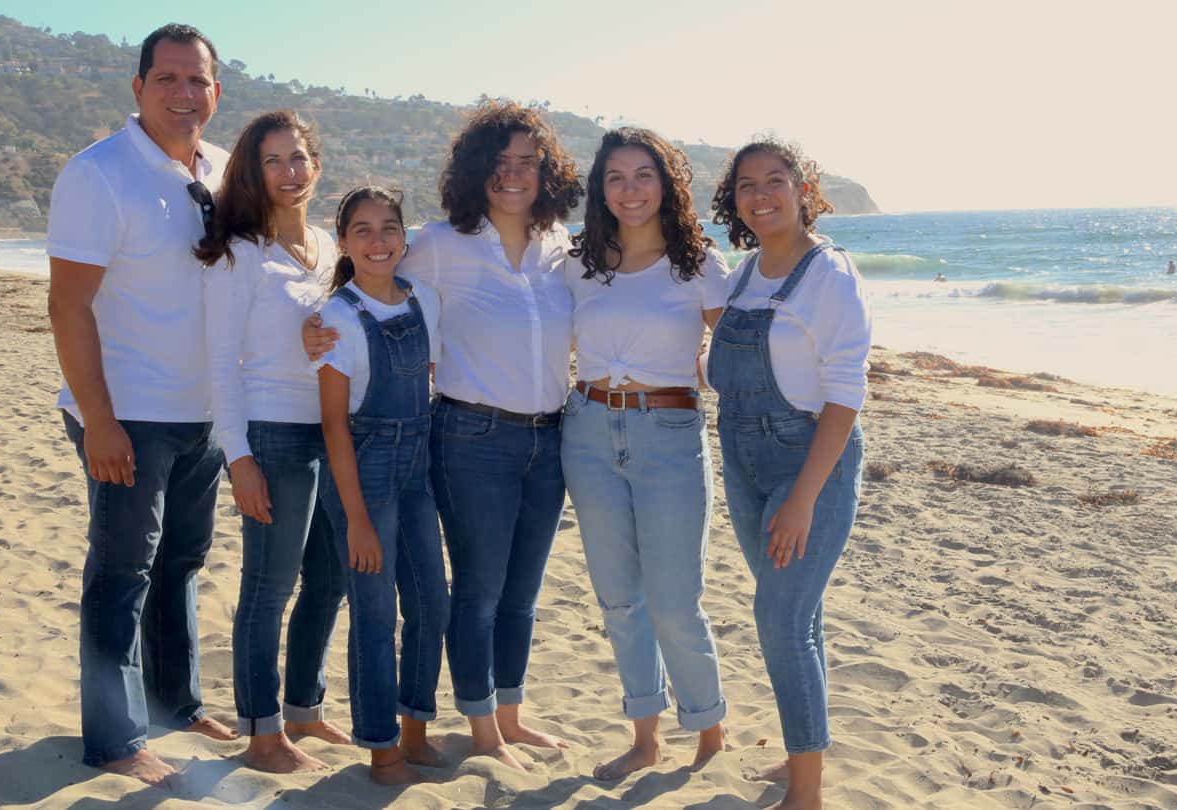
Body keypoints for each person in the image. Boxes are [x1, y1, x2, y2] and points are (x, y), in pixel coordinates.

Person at [305, 100, 582, 770]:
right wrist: (314, 326)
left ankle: (510, 717)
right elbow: (371, 280)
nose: (513, 174)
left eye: (528, 163)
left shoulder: (562, 248)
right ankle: (482, 729)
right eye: (500, 162)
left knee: (523, 593)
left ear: (547, 172)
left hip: (552, 438)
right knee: (477, 592)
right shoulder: (441, 243)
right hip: (471, 439)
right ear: (475, 170)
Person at [45, 24, 238, 784]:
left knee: (182, 562)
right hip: (127, 412)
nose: (185, 94)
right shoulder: (97, 175)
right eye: (168, 79)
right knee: (123, 569)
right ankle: (116, 739)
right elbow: (68, 307)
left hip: (207, 412)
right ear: (138, 87)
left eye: (198, 81)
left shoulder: (225, 171)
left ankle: (176, 702)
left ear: (216, 92)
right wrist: (99, 421)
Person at [706, 138, 870, 810]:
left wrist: (803, 498)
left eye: (776, 180)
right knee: (799, 616)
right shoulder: (742, 273)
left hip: (810, 467)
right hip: (743, 465)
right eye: (747, 185)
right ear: (735, 200)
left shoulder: (829, 275)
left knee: (779, 618)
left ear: (804, 189)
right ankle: (806, 754)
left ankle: (807, 793)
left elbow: (845, 394)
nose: (761, 195)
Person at [561, 128, 728, 780]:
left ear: (667, 184)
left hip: (669, 436)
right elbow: (509, 314)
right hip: (588, 432)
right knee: (619, 601)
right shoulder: (577, 262)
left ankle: (709, 731)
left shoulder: (699, 264)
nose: (629, 191)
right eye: (615, 178)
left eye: (643, 176)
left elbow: (742, 347)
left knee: (675, 600)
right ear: (601, 189)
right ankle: (645, 737)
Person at [195, 110, 348, 773]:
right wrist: (240, 458)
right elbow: (220, 364)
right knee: (268, 589)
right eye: (273, 161)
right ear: (254, 173)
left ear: (316, 165)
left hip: (333, 438)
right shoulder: (239, 256)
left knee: (330, 581)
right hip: (273, 440)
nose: (289, 173)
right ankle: (261, 734)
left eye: (299, 158)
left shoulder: (331, 248)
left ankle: (304, 711)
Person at [315, 187, 449, 784]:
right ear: (343, 243)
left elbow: (433, 377)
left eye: (389, 228)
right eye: (362, 230)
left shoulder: (423, 300)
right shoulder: (336, 319)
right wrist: (357, 519)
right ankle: (381, 746)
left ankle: (415, 728)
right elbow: (334, 428)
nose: (378, 241)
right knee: (374, 614)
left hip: (417, 467)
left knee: (431, 603)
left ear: (405, 236)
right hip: (363, 474)